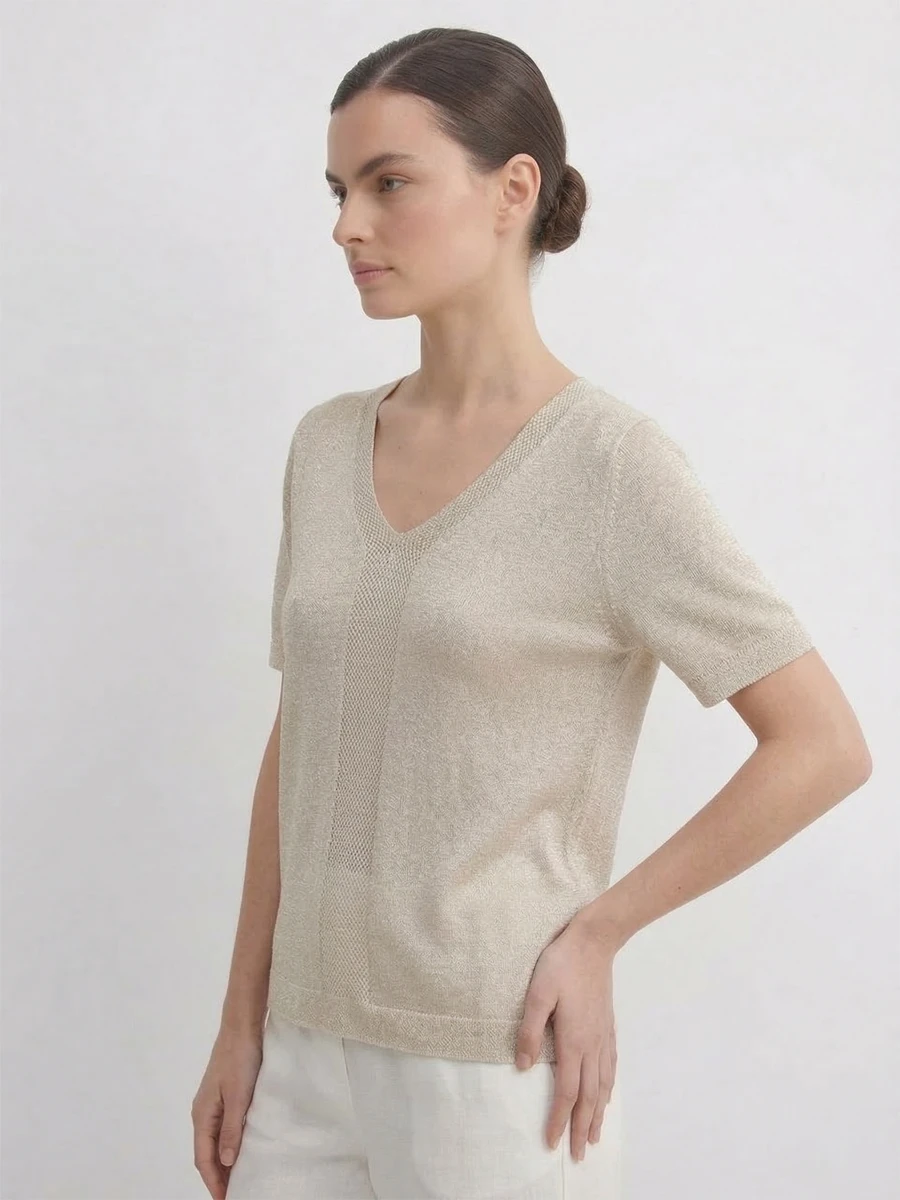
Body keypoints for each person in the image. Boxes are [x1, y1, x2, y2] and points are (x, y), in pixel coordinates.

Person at [190, 25, 872, 1200]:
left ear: (513, 191)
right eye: (340, 191)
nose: (348, 226)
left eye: (389, 184)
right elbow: (301, 733)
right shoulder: (326, 446)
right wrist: (241, 1020)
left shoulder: (611, 468)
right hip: (297, 1060)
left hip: (493, 1064)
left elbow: (823, 746)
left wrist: (600, 932)